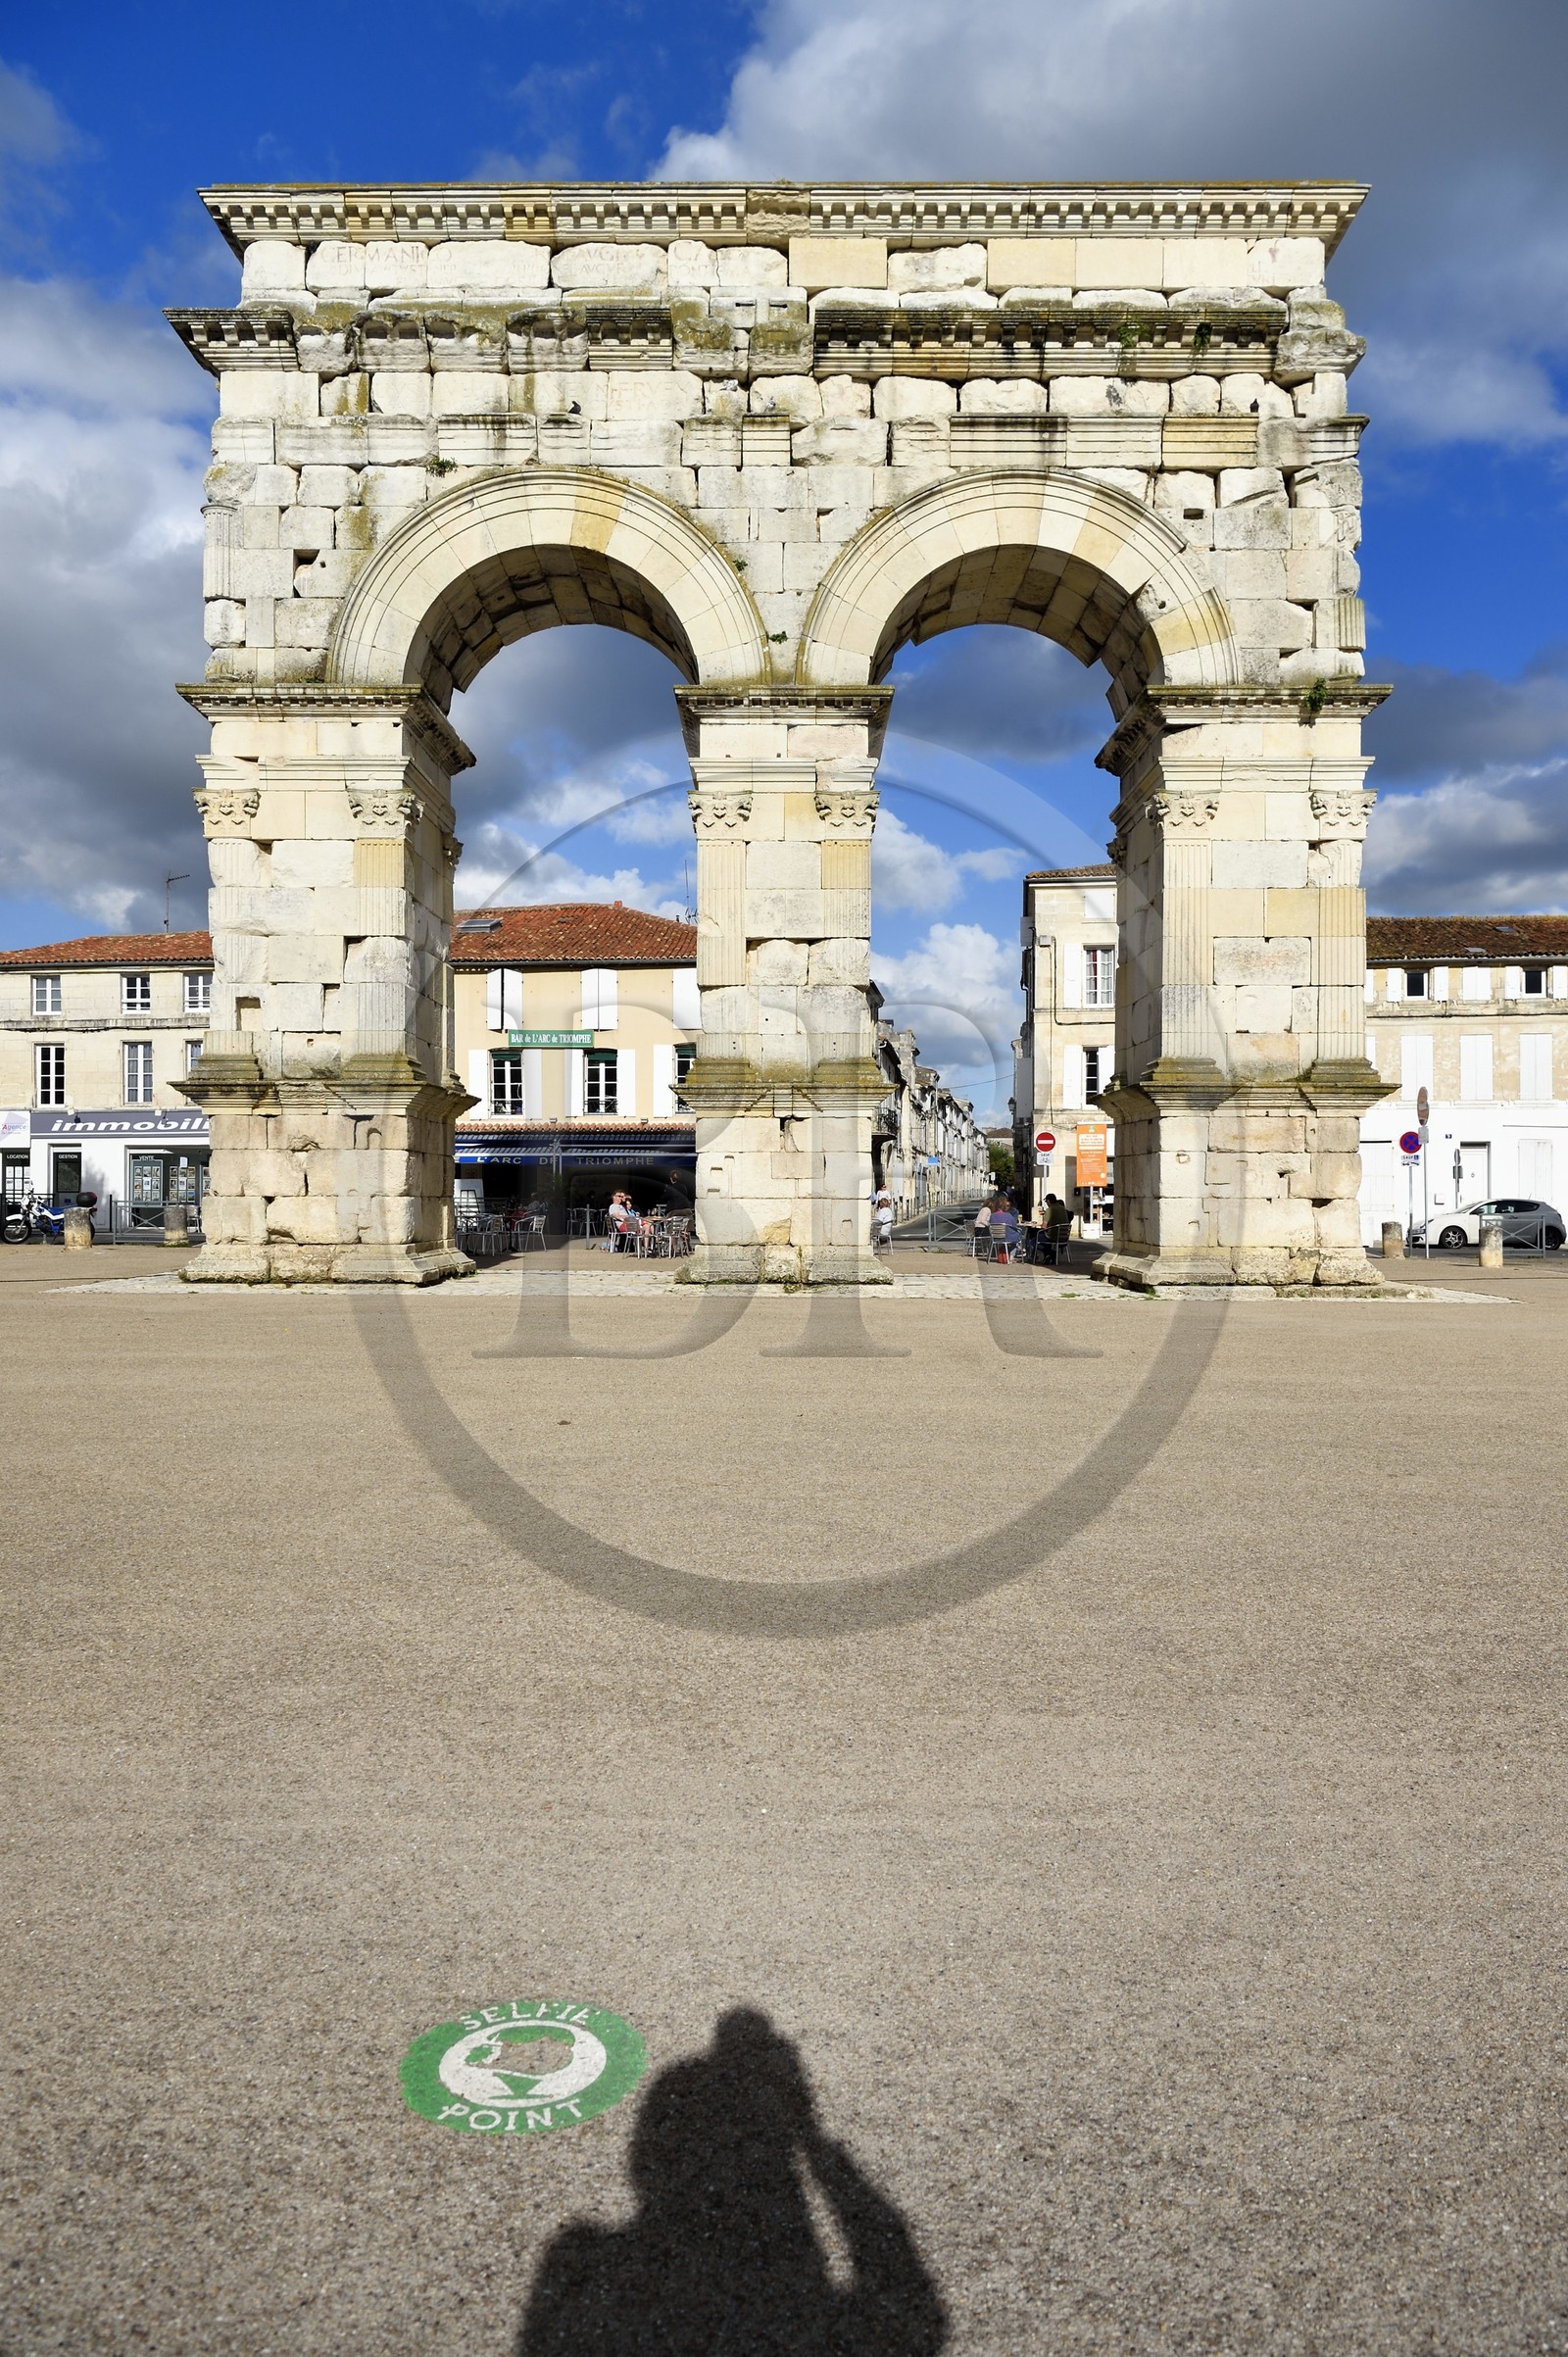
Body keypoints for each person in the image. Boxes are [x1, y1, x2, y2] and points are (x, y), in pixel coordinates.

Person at [870, 1183, 895, 1252]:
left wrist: (872, 1222)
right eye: (883, 1187)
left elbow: (879, 1221)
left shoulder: (882, 1211)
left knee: (870, 1232)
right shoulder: (889, 1211)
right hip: (888, 1230)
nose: (884, 1188)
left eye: (885, 1187)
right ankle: (882, 1241)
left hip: (882, 1231)